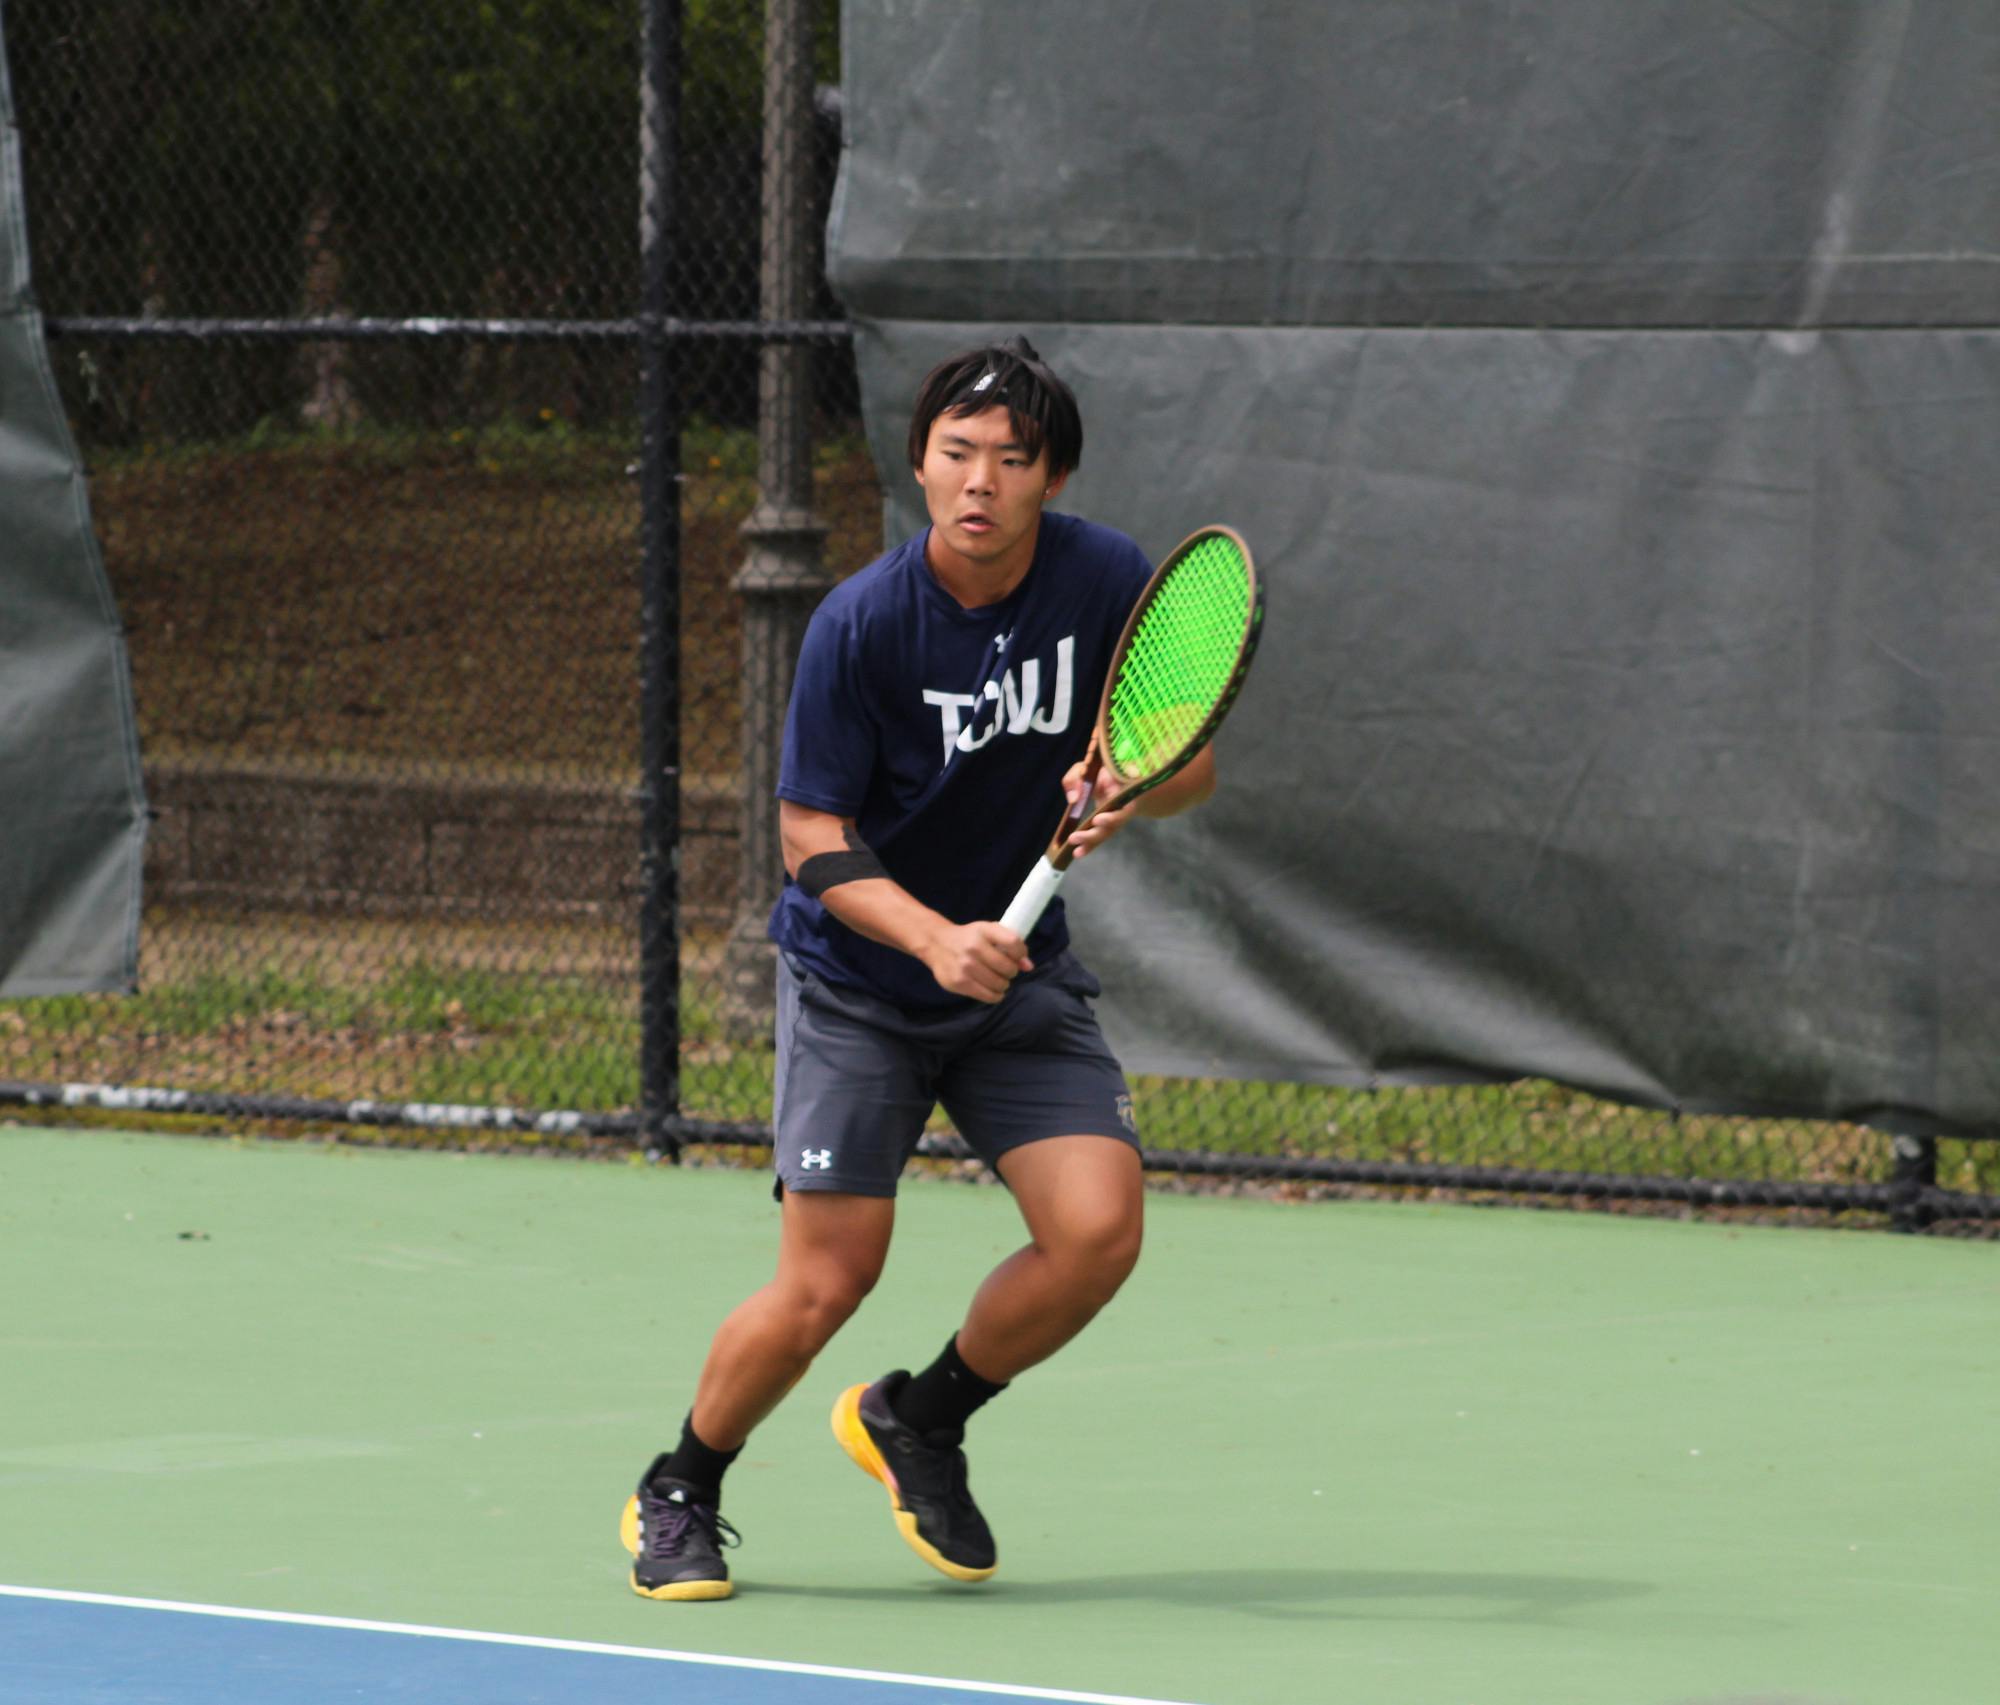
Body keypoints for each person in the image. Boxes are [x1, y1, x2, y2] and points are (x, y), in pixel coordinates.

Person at [620, 335, 1217, 1600]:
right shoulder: (861, 624)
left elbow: (1189, 767)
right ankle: (681, 1483)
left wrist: (1127, 784)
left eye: (1011, 458)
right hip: (863, 988)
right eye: (957, 453)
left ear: (1050, 475)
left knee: (1097, 1232)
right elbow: (805, 839)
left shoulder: (1106, 579)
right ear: (918, 462)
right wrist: (934, 938)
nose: (980, 480)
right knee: (828, 1277)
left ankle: (919, 1418)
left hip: (1016, 985)